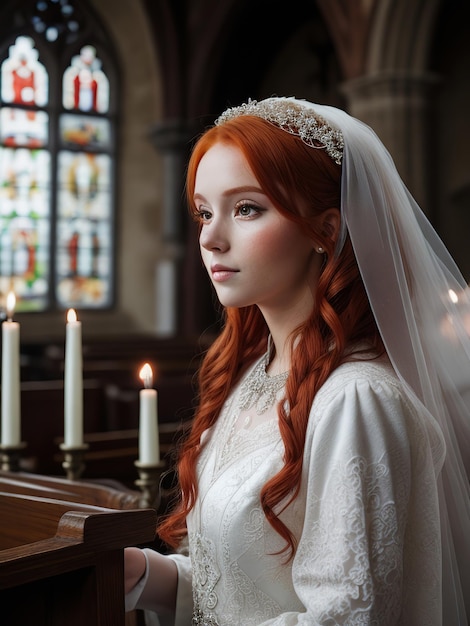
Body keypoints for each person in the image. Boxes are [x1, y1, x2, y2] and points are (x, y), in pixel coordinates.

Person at [124, 97, 470, 625]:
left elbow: (346, 616)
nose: (211, 239)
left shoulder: (357, 398)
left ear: (325, 230)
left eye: (247, 209)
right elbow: (243, 589)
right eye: (204, 212)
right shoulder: (254, 374)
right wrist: (148, 576)